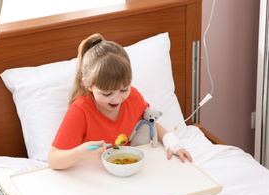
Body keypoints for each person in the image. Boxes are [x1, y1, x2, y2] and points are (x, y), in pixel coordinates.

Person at [48, 33, 192, 170]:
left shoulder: (133, 97)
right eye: (107, 93)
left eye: (124, 89)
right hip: (96, 176)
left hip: (132, 167)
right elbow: (53, 160)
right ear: (88, 85)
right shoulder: (80, 111)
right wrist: (79, 153)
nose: (117, 99)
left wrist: (172, 143)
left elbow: (150, 122)